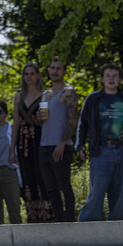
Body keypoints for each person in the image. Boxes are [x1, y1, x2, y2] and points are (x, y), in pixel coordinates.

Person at [76, 63, 123, 222]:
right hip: (100, 151)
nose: (111, 79)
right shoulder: (93, 99)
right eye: (108, 76)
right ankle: (87, 226)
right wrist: (80, 145)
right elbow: (82, 124)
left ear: (119, 79)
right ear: (102, 79)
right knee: (96, 192)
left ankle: (117, 229)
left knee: (120, 195)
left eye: (114, 76)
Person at [38, 58, 79, 222]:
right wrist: (38, 118)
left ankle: (69, 223)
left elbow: (73, 120)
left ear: (64, 72)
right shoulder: (44, 94)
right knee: (51, 189)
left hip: (61, 146)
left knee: (64, 187)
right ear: (48, 70)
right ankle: (59, 223)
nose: (55, 71)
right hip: (44, 146)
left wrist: (62, 143)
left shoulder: (68, 92)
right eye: (52, 68)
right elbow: (43, 122)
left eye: (59, 68)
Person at [12, 63, 51, 222]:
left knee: (42, 176)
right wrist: (12, 149)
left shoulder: (45, 95)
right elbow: (15, 124)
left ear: (38, 76)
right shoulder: (18, 97)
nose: (28, 77)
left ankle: (47, 215)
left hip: (40, 140)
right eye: (26, 74)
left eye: (32, 73)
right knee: (27, 177)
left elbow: (48, 120)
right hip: (23, 143)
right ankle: (32, 216)